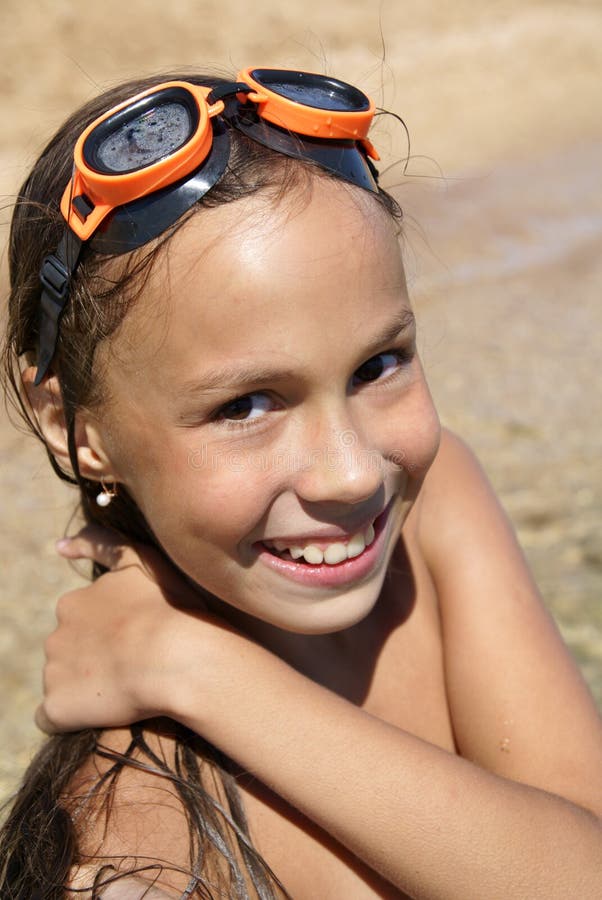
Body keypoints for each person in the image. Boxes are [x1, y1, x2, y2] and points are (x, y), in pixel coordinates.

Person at [1, 66, 600, 900]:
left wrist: (196, 668)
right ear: (82, 430)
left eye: (378, 364)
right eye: (246, 404)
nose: (355, 471)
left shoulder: (434, 504)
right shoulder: (133, 852)